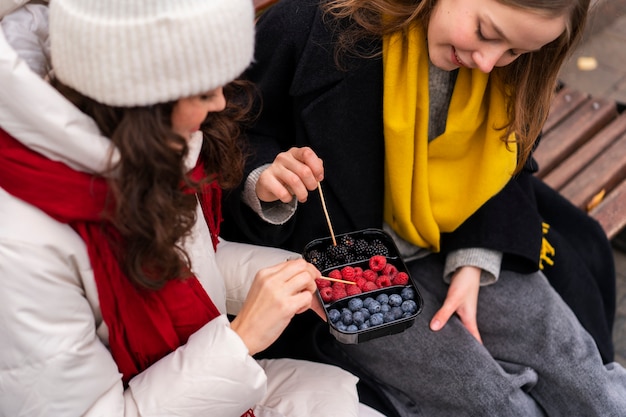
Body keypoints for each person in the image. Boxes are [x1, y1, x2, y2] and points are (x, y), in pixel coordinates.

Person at [221, 0, 626, 415]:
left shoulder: (507, 65)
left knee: (586, 380)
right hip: (344, 269)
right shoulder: (309, 28)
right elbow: (231, 130)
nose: (487, 63)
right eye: (486, 31)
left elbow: (505, 160)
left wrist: (475, 260)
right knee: (493, 403)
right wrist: (265, 178)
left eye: (514, 52)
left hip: (460, 235)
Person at [0, 0, 370, 416]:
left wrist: (294, 280)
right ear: (138, 97)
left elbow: (187, 266)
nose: (217, 104)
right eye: (203, 90)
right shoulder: (19, 247)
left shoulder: (146, 146)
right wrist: (242, 338)